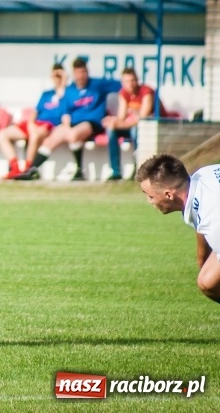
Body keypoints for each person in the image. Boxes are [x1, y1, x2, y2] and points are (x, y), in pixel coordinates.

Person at [14, 58, 120, 181]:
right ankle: (32, 170)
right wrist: (66, 125)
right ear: (74, 73)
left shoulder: (98, 84)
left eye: (83, 72)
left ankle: (79, 170)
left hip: (91, 122)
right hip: (72, 123)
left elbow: (122, 87)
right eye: (78, 73)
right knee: (49, 141)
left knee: (73, 135)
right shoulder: (70, 90)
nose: (81, 76)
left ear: (87, 71)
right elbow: (65, 112)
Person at [136, 154, 220, 303]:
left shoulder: (212, 220)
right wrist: (202, 259)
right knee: (208, 281)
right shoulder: (203, 175)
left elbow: (208, 220)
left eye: (150, 196)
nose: (149, 202)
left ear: (168, 194)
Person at [0, 63, 66, 179]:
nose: (57, 79)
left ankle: (28, 168)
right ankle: (15, 167)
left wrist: (63, 83)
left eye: (59, 76)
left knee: (34, 134)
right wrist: (30, 123)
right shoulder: (46, 94)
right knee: (1, 135)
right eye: (55, 76)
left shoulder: (67, 93)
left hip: (50, 125)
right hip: (37, 123)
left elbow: (65, 106)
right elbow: (35, 111)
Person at [102, 67, 163, 181]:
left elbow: (142, 120)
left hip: (153, 127)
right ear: (122, 83)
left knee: (135, 130)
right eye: (127, 81)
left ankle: (138, 168)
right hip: (133, 126)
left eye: (132, 80)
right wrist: (113, 122)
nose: (130, 84)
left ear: (137, 80)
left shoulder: (146, 92)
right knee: (111, 131)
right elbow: (121, 117)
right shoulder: (124, 93)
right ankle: (116, 171)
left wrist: (119, 124)